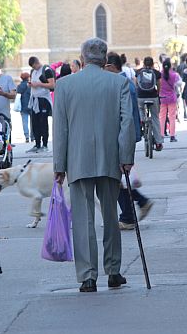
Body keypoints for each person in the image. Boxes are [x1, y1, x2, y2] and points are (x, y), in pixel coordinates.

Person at [53, 37, 135, 293]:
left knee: (83, 217)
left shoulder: (65, 85)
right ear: (105, 57)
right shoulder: (119, 82)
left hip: (77, 159)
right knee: (111, 215)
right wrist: (126, 157)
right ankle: (113, 270)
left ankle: (88, 275)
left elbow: (60, 128)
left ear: (82, 58)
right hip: (110, 158)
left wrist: (59, 164)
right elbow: (127, 124)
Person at [104, 54, 152, 230]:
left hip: (120, 137)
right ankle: (137, 205)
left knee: (118, 177)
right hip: (124, 136)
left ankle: (129, 214)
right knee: (119, 178)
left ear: (111, 66)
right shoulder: (125, 83)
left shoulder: (120, 84)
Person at [26, 57, 54, 153]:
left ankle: (45, 144)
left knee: (43, 122)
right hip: (35, 99)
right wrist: (31, 84)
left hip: (44, 99)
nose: (35, 68)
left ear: (37, 62)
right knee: (35, 122)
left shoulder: (46, 70)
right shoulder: (33, 72)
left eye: (35, 66)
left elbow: (52, 85)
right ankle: (37, 144)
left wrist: (39, 84)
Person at [135, 56, 163, 150]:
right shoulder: (156, 73)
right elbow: (159, 85)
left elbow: (136, 84)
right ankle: (158, 142)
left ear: (144, 64)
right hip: (153, 96)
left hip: (141, 97)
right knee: (155, 118)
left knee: (140, 109)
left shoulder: (138, 72)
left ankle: (142, 120)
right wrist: (157, 93)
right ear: (152, 64)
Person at [159, 58, 181, 143]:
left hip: (162, 98)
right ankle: (172, 135)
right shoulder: (174, 75)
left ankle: (161, 135)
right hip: (172, 97)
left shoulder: (160, 75)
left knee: (162, 117)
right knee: (172, 117)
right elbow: (179, 83)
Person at [16, 72, 32, 143]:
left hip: (23, 105)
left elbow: (18, 93)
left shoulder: (19, 86)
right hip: (31, 105)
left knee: (25, 122)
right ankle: (33, 136)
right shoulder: (30, 85)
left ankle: (27, 136)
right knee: (32, 122)